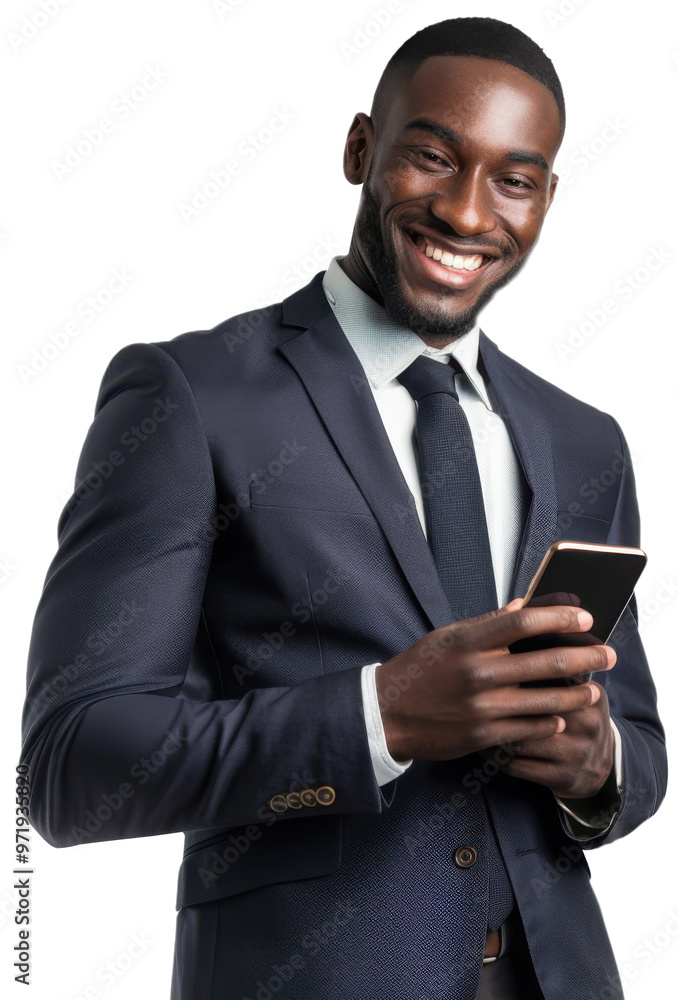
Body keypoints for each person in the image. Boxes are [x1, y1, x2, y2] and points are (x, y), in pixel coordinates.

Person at [20, 16, 666, 1000]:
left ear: (545, 199)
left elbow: (641, 746)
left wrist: (597, 766)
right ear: (364, 148)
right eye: (432, 156)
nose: (466, 210)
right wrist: (381, 715)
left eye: (514, 179)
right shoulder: (195, 399)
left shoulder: (585, 441)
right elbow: (73, 765)